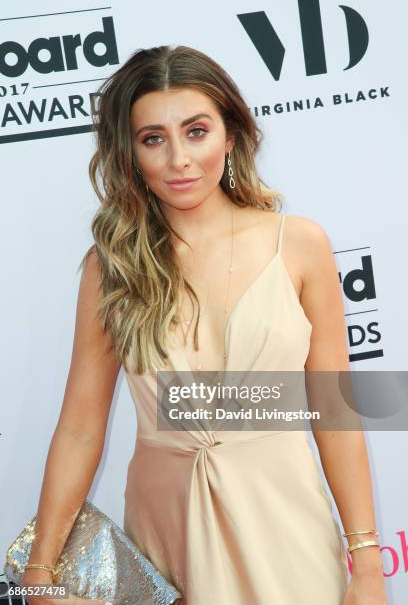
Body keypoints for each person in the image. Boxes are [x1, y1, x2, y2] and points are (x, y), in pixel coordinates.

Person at [22, 45, 387, 604]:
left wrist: (365, 562)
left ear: (231, 135)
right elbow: (80, 425)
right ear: (129, 153)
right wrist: (40, 570)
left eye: (196, 131)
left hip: (284, 520)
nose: (179, 160)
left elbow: (334, 412)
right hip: (170, 531)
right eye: (153, 139)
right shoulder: (112, 265)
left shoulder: (300, 245)